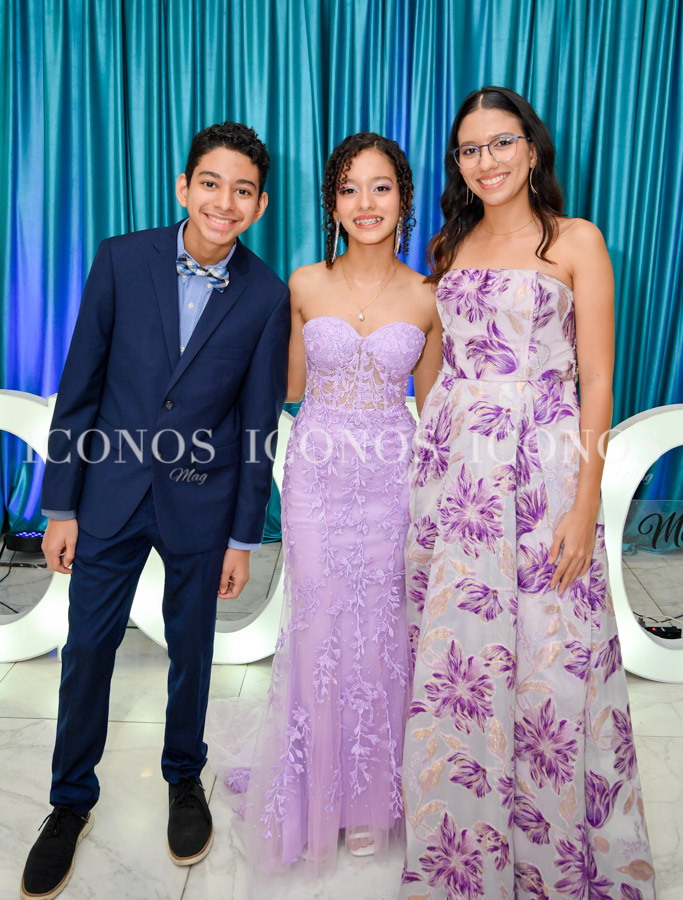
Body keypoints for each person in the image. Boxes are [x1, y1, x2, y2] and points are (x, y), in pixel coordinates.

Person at [20, 121, 290, 900]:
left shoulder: (267, 295)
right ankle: (70, 802)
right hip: (108, 495)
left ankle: (183, 777)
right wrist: (61, 505)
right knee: (87, 649)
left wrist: (243, 535)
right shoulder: (120, 259)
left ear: (259, 205)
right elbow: (80, 389)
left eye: (242, 190)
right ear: (184, 186)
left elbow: (257, 425)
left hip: (202, 505)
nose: (223, 201)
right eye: (210, 183)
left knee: (192, 651)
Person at [400, 87, 655, 899]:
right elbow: (437, 366)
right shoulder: (448, 245)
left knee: (552, 659)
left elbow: (597, 380)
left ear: (531, 148)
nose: (487, 161)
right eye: (469, 149)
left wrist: (584, 504)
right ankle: (467, 857)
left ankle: (555, 858)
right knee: (464, 658)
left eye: (501, 142)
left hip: (543, 470)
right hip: (457, 482)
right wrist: (433, 452)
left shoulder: (575, 240)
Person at [207, 133, 441, 884]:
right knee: (317, 630)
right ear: (331, 204)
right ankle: (314, 793)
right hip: (315, 477)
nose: (365, 203)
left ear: (403, 198)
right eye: (348, 189)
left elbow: (437, 408)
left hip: (391, 480)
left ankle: (370, 796)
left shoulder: (429, 294)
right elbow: (285, 387)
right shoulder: (304, 284)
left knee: (380, 632)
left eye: (380, 187)